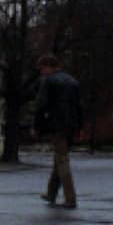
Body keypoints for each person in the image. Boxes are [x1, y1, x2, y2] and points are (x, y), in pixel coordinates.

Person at [32, 53, 82, 209]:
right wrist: (80, 127)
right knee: (59, 158)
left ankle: (70, 198)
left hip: (57, 124)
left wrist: (36, 126)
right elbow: (79, 107)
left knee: (62, 160)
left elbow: (41, 105)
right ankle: (51, 193)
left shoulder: (49, 81)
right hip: (72, 125)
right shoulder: (73, 81)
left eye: (41, 68)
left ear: (47, 67)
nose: (41, 72)